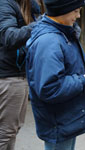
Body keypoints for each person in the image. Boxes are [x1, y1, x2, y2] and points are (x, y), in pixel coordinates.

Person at [25, 0, 85, 149]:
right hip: (58, 123)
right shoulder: (49, 42)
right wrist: (82, 79)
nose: (79, 15)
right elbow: (50, 88)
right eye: (75, 11)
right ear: (61, 10)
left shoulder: (62, 32)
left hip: (65, 119)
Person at [0, 0, 45, 149]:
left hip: (18, 74)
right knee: (6, 131)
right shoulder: (5, 4)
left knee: (12, 129)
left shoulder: (30, 6)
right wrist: (41, 23)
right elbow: (9, 37)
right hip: (9, 76)